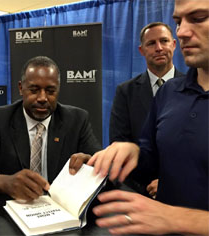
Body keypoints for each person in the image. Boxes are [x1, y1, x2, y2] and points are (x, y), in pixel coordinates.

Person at [88, 0, 209, 234]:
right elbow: (150, 160)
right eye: (178, 21)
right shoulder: (169, 92)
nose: (182, 31)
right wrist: (132, 153)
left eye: (198, 18)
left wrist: (177, 218)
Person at [0, 56, 101, 201]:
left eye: (50, 91)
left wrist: (92, 168)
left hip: (63, 216)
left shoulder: (77, 120)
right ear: (21, 88)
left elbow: (107, 172)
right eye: (34, 90)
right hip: (8, 217)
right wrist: (5, 183)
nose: (42, 98)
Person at [110, 22, 184, 197]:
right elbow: (119, 142)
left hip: (183, 191)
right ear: (141, 50)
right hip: (138, 191)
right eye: (151, 43)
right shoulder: (125, 92)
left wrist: (168, 181)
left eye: (164, 41)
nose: (159, 48)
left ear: (174, 45)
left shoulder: (194, 87)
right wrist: (147, 184)